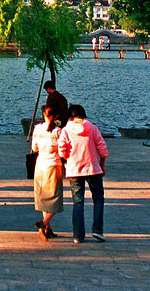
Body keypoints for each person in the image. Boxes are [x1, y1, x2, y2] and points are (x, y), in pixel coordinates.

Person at [58, 104, 108, 243]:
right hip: (93, 168)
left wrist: (68, 159)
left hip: (74, 170)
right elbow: (103, 149)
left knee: (78, 201)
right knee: (98, 198)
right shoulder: (92, 128)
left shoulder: (66, 130)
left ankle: (78, 235)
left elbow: (62, 150)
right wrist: (102, 165)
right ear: (84, 115)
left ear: (70, 117)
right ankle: (97, 230)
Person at [32, 105, 64, 241]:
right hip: (54, 164)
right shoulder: (58, 132)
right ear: (56, 116)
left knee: (44, 196)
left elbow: (34, 148)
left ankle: (47, 228)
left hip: (40, 165)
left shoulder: (37, 128)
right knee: (55, 197)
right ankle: (44, 223)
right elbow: (62, 151)